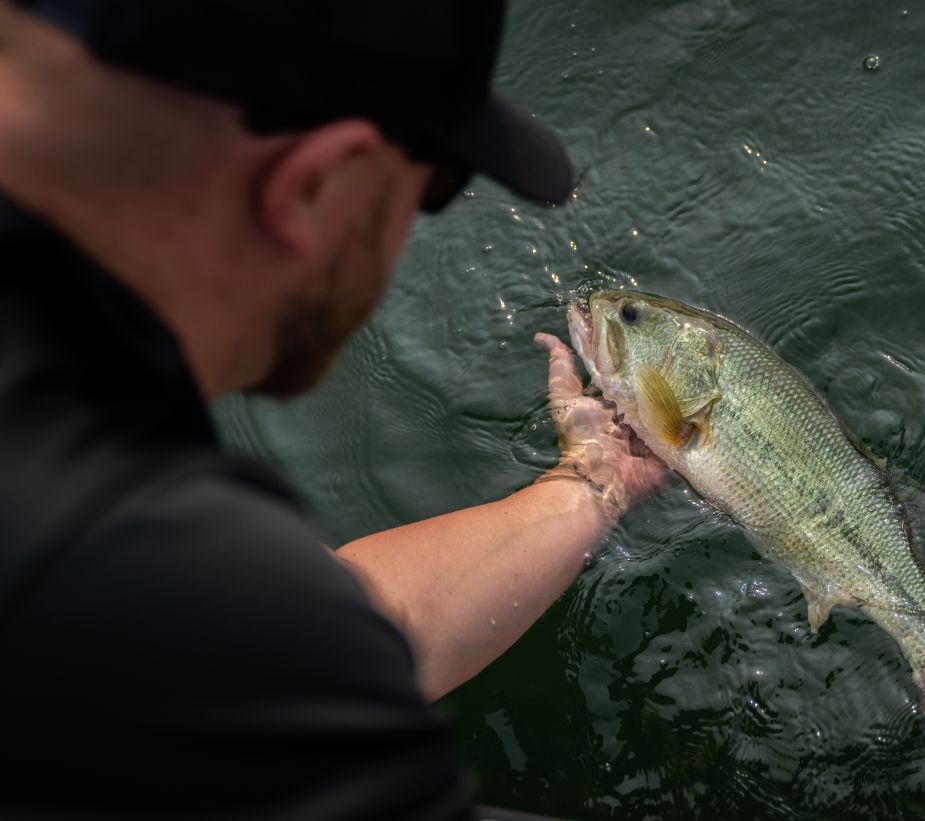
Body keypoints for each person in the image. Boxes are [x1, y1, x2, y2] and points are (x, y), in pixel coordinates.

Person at [0, 0, 664, 817]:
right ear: (314, 183)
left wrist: (591, 485)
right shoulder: (115, 550)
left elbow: (314, 631)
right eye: (436, 184)